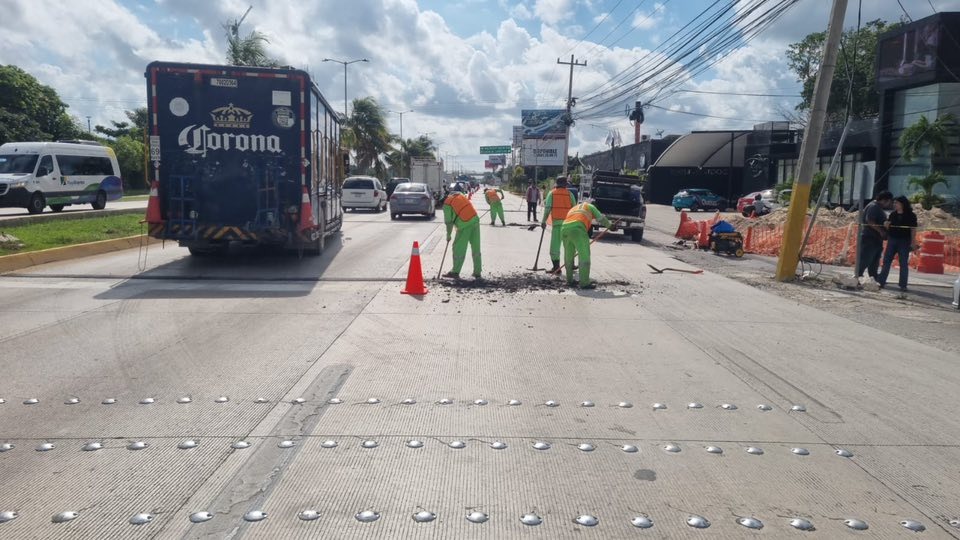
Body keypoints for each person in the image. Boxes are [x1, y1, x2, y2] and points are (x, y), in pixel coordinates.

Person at [561, 202, 614, 289]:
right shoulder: (590, 206)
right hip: (578, 228)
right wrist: (610, 226)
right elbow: (601, 218)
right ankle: (584, 283)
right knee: (584, 255)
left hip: (564, 228)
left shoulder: (575, 208)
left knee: (568, 255)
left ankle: (569, 281)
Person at [878, 195, 918, 291]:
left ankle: (903, 285)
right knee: (887, 261)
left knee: (903, 263)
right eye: (894, 203)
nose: (895, 204)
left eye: (897, 203)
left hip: (904, 241)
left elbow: (913, 229)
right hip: (892, 240)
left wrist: (913, 242)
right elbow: (888, 227)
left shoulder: (911, 215)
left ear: (902, 204)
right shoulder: (893, 214)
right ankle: (881, 281)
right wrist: (886, 225)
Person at [443, 186, 482, 279]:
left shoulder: (447, 203)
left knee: (458, 248)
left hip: (464, 224)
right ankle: (477, 272)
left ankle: (455, 272)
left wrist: (448, 235)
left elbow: (449, 222)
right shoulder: (462, 197)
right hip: (475, 221)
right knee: (476, 248)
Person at [540, 176, 576, 274]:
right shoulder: (570, 194)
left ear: (556, 184)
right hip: (568, 225)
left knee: (555, 247)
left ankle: (556, 268)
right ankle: (571, 265)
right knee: (569, 246)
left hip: (557, 225)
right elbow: (574, 209)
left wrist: (543, 221)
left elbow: (547, 209)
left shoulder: (552, 193)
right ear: (565, 185)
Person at [856, 191, 894, 281]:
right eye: (889, 202)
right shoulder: (873, 207)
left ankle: (873, 278)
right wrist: (881, 231)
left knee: (874, 261)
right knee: (866, 259)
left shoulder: (878, 208)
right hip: (870, 238)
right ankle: (857, 276)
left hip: (876, 239)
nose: (889, 204)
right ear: (885, 200)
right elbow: (870, 221)